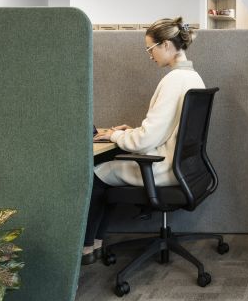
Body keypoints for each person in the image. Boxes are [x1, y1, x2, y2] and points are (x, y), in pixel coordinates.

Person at [81, 17, 206, 265]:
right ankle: (94, 244)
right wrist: (132, 130)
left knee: (96, 176)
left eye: (151, 49)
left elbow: (145, 141)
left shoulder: (173, 80)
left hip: (162, 168)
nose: (150, 56)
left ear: (167, 45)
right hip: (186, 168)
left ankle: (87, 248)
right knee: (106, 171)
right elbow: (166, 129)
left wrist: (114, 135)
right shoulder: (193, 77)